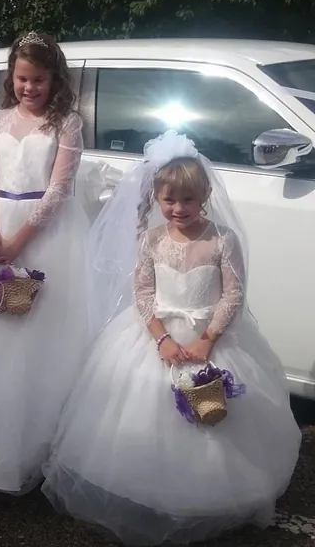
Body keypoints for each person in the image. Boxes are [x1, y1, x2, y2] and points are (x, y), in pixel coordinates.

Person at [41, 131, 301, 545]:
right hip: (156, 336)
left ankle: (205, 494)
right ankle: (147, 489)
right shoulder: (152, 239)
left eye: (188, 200)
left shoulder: (220, 240)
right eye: (170, 200)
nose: (179, 209)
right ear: (158, 199)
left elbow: (233, 293)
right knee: (140, 404)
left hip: (209, 338)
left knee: (211, 416)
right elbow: (142, 292)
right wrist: (160, 337)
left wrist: (208, 339)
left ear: (205, 197)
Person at [0, 32, 93, 494]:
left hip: (44, 233)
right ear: (12, 77)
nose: (30, 87)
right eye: (23, 78)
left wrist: (20, 240)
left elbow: (58, 191)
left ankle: (30, 449)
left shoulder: (65, 123)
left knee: (37, 347)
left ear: (54, 80)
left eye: (39, 80)